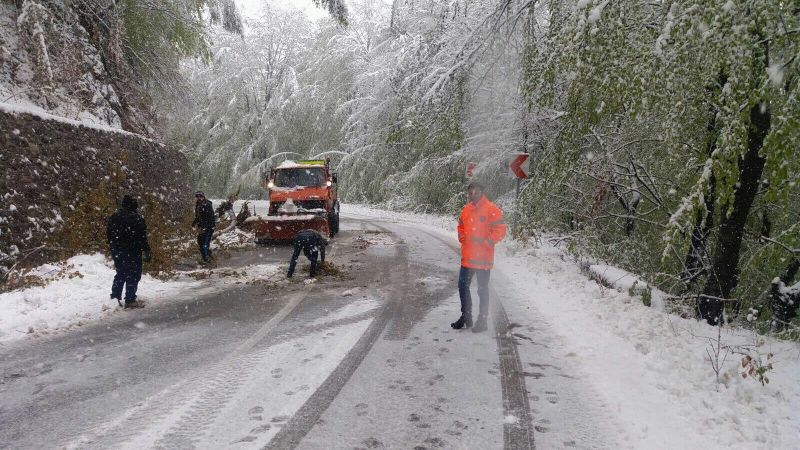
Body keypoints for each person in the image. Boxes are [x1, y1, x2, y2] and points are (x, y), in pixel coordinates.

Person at [452, 181, 506, 332]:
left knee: (482, 289)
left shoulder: (491, 209)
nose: (471, 195)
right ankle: (466, 316)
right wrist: (461, 235)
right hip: (468, 257)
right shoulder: (466, 210)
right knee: (462, 286)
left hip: (483, 259)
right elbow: (460, 226)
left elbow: (500, 229)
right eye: (469, 193)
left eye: (474, 192)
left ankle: (482, 320)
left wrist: (488, 242)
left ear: (481, 192)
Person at [106, 194, 151, 308]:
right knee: (133, 274)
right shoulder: (137, 218)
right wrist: (146, 250)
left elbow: (109, 235)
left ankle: (115, 297)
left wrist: (113, 246)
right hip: (132, 251)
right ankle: (130, 299)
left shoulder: (114, 217)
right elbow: (142, 237)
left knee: (120, 273)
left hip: (117, 250)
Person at [192, 191, 215, 263]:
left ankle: (207, 260)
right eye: (197, 196)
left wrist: (208, 226)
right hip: (202, 227)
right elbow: (199, 216)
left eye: (200, 196)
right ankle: (208, 257)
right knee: (200, 242)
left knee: (205, 244)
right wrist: (194, 223)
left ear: (203, 197)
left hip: (208, 227)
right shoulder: (198, 205)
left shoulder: (207, 204)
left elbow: (211, 216)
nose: (199, 198)